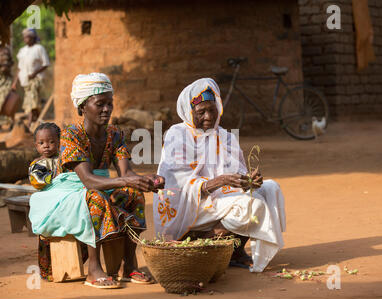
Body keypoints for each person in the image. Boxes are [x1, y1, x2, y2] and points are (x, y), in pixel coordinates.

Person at [29, 73, 165, 288]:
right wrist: (126, 181)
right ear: (82, 107)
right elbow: (89, 181)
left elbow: (126, 173)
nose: (107, 109)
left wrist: (147, 179)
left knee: (134, 195)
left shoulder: (114, 133)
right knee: (96, 197)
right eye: (100, 104)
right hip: (69, 191)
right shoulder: (71, 135)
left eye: (110, 103)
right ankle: (94, 268)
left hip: (99, 186)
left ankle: (127, 265)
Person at [153, 78, 286, 272]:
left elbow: (237, 172)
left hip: (218, 197)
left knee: (270, 188)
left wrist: (248, 181)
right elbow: (178, 184)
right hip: (188, 205)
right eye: (201, 112)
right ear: (189, 113)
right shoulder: (177, 135)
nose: (208, 116)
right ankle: (206, 243)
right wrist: (220, 181)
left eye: (212, 110)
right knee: (252, 205)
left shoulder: (224, 136)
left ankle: (235, 251)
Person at [12, 28, 50, 128]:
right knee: (33, 102)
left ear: (33, 38)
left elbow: (46, 64)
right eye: (24, 37)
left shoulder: (39, 48)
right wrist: (15, 82)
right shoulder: (22, 51)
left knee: (32, 100)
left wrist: (34, 73)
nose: (26, 39)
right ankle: (36, 122)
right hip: (25, 81)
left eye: (28, 37)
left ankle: (29, 123)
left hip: (36, 80)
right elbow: (19, 68)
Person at [28, 123, 61, 190]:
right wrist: (55, 176)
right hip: (46, 192)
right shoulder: (37, 163)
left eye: (51, 142)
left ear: (59, 143)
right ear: (36, 146)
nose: (46, 146)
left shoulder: (64, 158)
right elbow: (36, 180)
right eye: (41, 143)